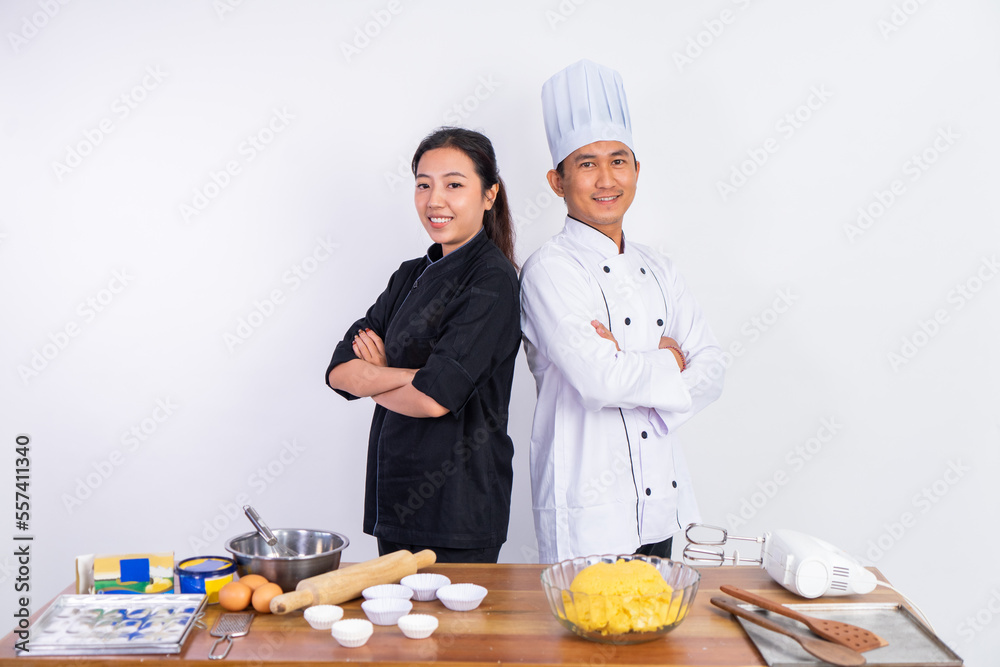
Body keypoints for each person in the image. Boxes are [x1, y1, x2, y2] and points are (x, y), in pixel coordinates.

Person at [519, 59, 726, 563]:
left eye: (619, 160)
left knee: (655, 631)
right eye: (587, 164)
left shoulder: (660, 266)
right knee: (589, 637)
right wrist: (670, 361)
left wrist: (626, 361)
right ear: (556, 180)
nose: (606, 178)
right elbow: (598, 381)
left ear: (637, 170)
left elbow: (715, 369)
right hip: (588, 509)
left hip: (662, 501)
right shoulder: (550, 269)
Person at [325, 127, 520, 564]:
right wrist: (415, 377)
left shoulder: (491, 280)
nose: (435, 200)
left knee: (453, 632)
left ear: (489, 195)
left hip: (458, 513)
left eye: (454, 184)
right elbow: (338, 372)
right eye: (423, 185)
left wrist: (375, 380)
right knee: (395, 632)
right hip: (394, 501)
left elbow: (434, 399)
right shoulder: (409, 275)